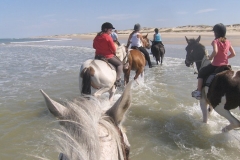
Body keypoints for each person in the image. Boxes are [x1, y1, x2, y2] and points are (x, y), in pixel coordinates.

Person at [192, 23, 236, 100]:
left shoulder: (215, 41)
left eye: (214, 32)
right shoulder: (228, 42)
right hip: (226, 65)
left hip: (216, 65)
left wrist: (210, 57)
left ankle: (198, 92)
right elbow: (233, 54)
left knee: (202, 72)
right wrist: (226, 57)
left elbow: (215, 51)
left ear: (216, 33)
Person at [93, 22, 123, 87]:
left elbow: (94, 46)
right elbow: (113, 48)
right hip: (107, 56)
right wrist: (114, 53)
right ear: (105, 29)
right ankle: (117, 80)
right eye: (110, 30)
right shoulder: (108, 37)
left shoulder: (97, 37)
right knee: (120, 64)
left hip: (97, 56)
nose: (111, 32)